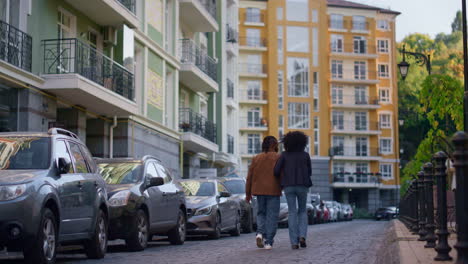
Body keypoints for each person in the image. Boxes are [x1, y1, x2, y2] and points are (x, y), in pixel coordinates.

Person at [274, 131, 312, 250]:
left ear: (287, 143)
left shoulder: (284, 155)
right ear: (302, 142)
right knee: (302, 211)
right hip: (303, 185)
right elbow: (309, 172)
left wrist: (284, 175)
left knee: (292, 212)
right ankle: (302, 236)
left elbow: (276, 171)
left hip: (288, 186)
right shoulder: (305, 155)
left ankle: (294, 242)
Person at [245, 136, 281, 250]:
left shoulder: (256, 158)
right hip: (274, 190)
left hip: (258, 191)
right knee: (272, 216)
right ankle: (268, 242)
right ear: (275, 145)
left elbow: (249, 177)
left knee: (261, 213)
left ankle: (260, 233)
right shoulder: (278, 157)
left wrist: (248, 193)